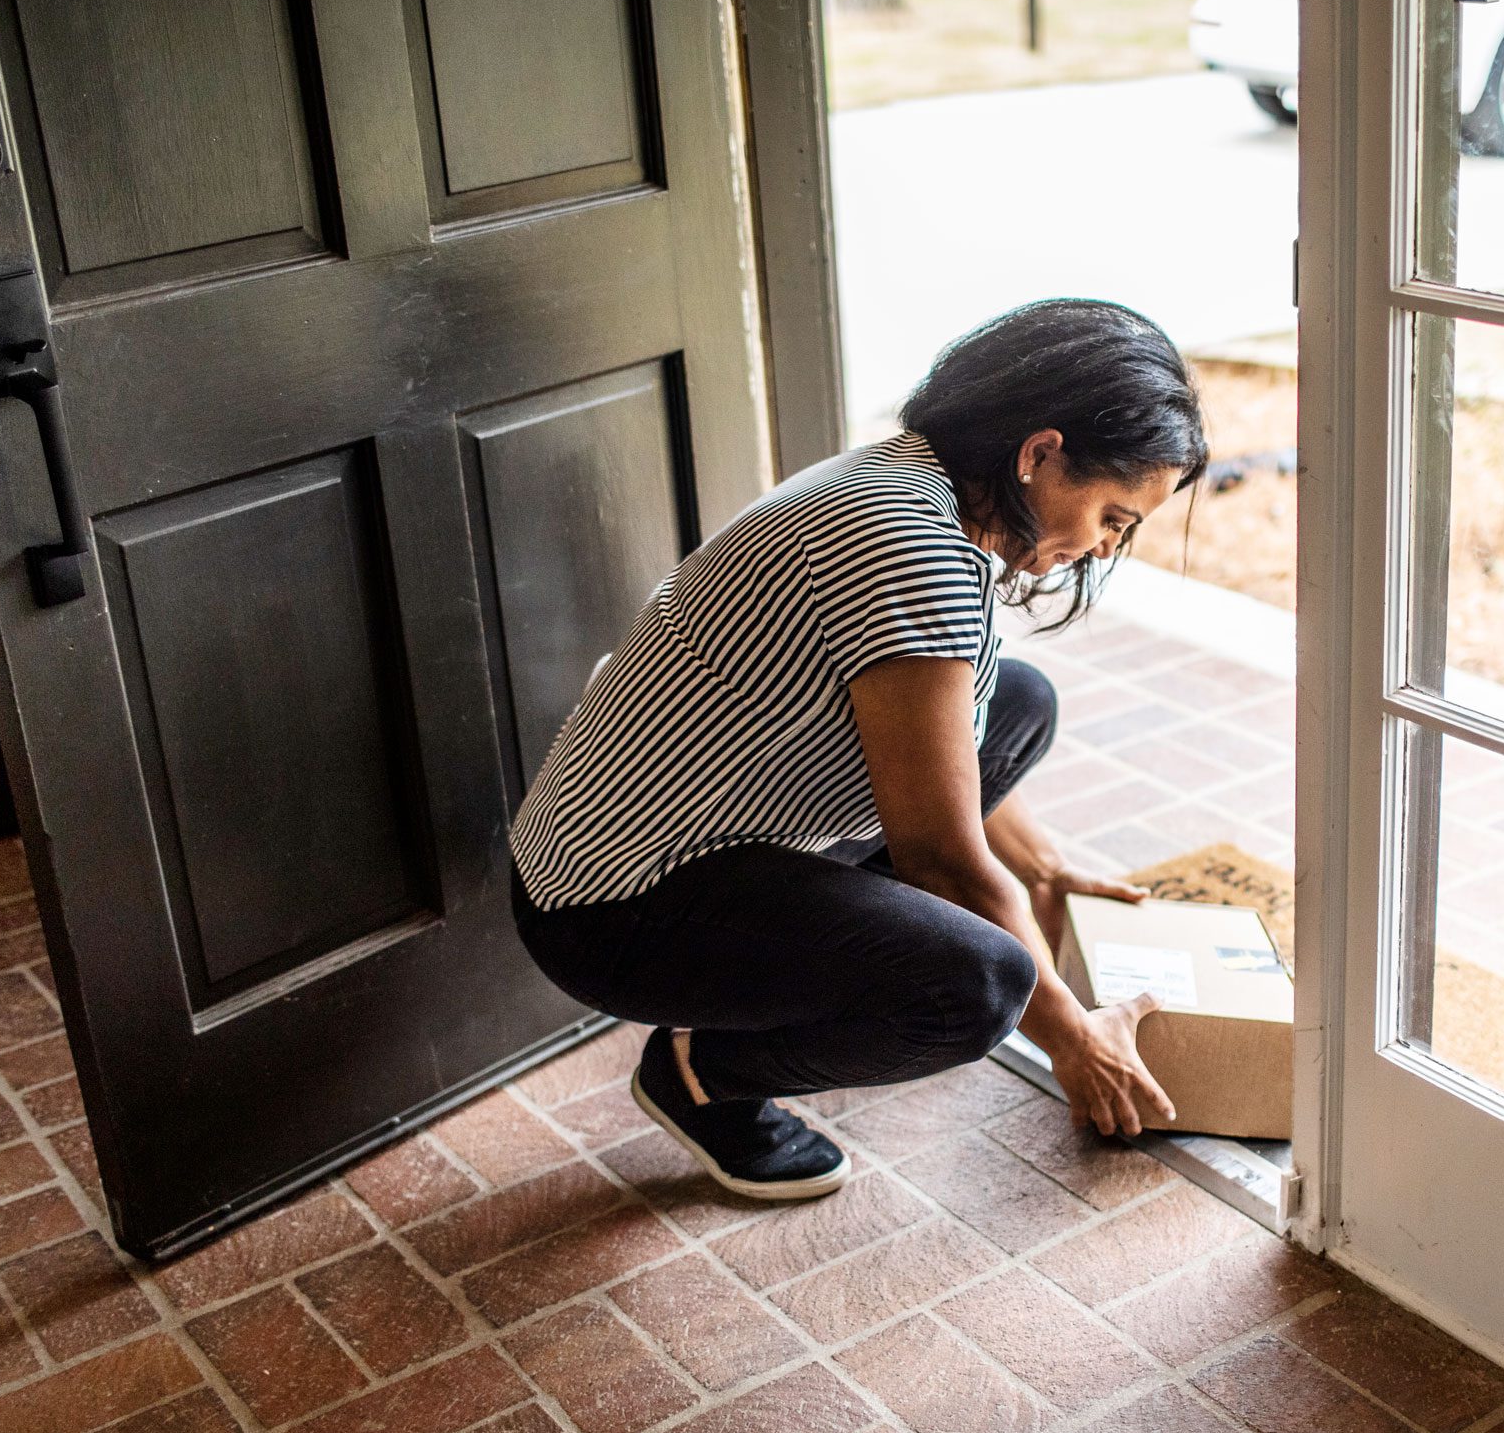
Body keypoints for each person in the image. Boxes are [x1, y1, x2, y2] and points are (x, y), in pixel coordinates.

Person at [508, 299, 1209, 1200]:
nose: (1106, 546)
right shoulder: (910, 550)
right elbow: (944, 861)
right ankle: (702, 1073)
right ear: (1039, 454)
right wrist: (1076, 1041)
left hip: (665, 832)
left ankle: (832, 956)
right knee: (976, 986)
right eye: (1114, 515)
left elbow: (952, 744)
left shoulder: (907, 476)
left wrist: (1044, 868)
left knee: (1019, 703)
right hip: (608, 910)